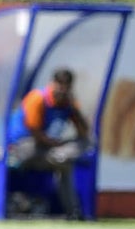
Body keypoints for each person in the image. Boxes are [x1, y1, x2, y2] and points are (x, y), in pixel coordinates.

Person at [7, 68, 92, 220]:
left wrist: (74, 110)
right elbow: (35, 133)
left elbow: (84, 132)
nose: (61, 92)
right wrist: (56, 146)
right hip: (23, 147)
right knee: (63, 164)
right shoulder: (37, 98)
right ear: (52, 84)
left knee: (84, 146)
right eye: (59, 87)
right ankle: (73, 211)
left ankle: (73, 213)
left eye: (66, 88)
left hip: (49, 150)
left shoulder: (69, 102)